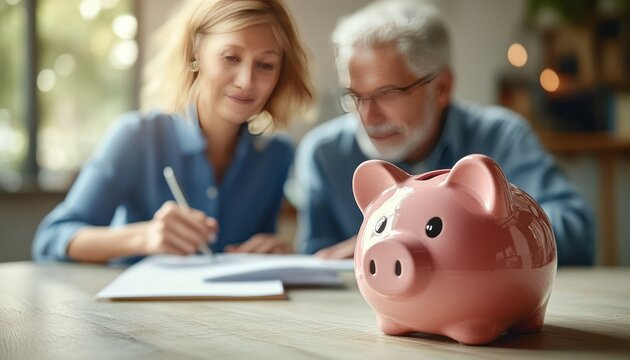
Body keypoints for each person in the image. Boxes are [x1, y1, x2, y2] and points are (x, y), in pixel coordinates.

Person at [294, 0, 595, 265]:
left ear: (442, 88)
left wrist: (421, 239)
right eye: (355, 95)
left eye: (387, 93)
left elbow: (575, 231)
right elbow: (317, 260)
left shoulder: (501, 136)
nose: (367, 116)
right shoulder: (323, 154)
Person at [33, 0, 313, 264]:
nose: (246, 81)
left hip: (223, 315)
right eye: (231, 58)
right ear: (196, 52)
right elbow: (50, 238)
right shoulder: (136, 137)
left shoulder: (277, 156)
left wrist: (273, 251)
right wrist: (145, 237)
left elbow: (254, 250)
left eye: (266, 65)